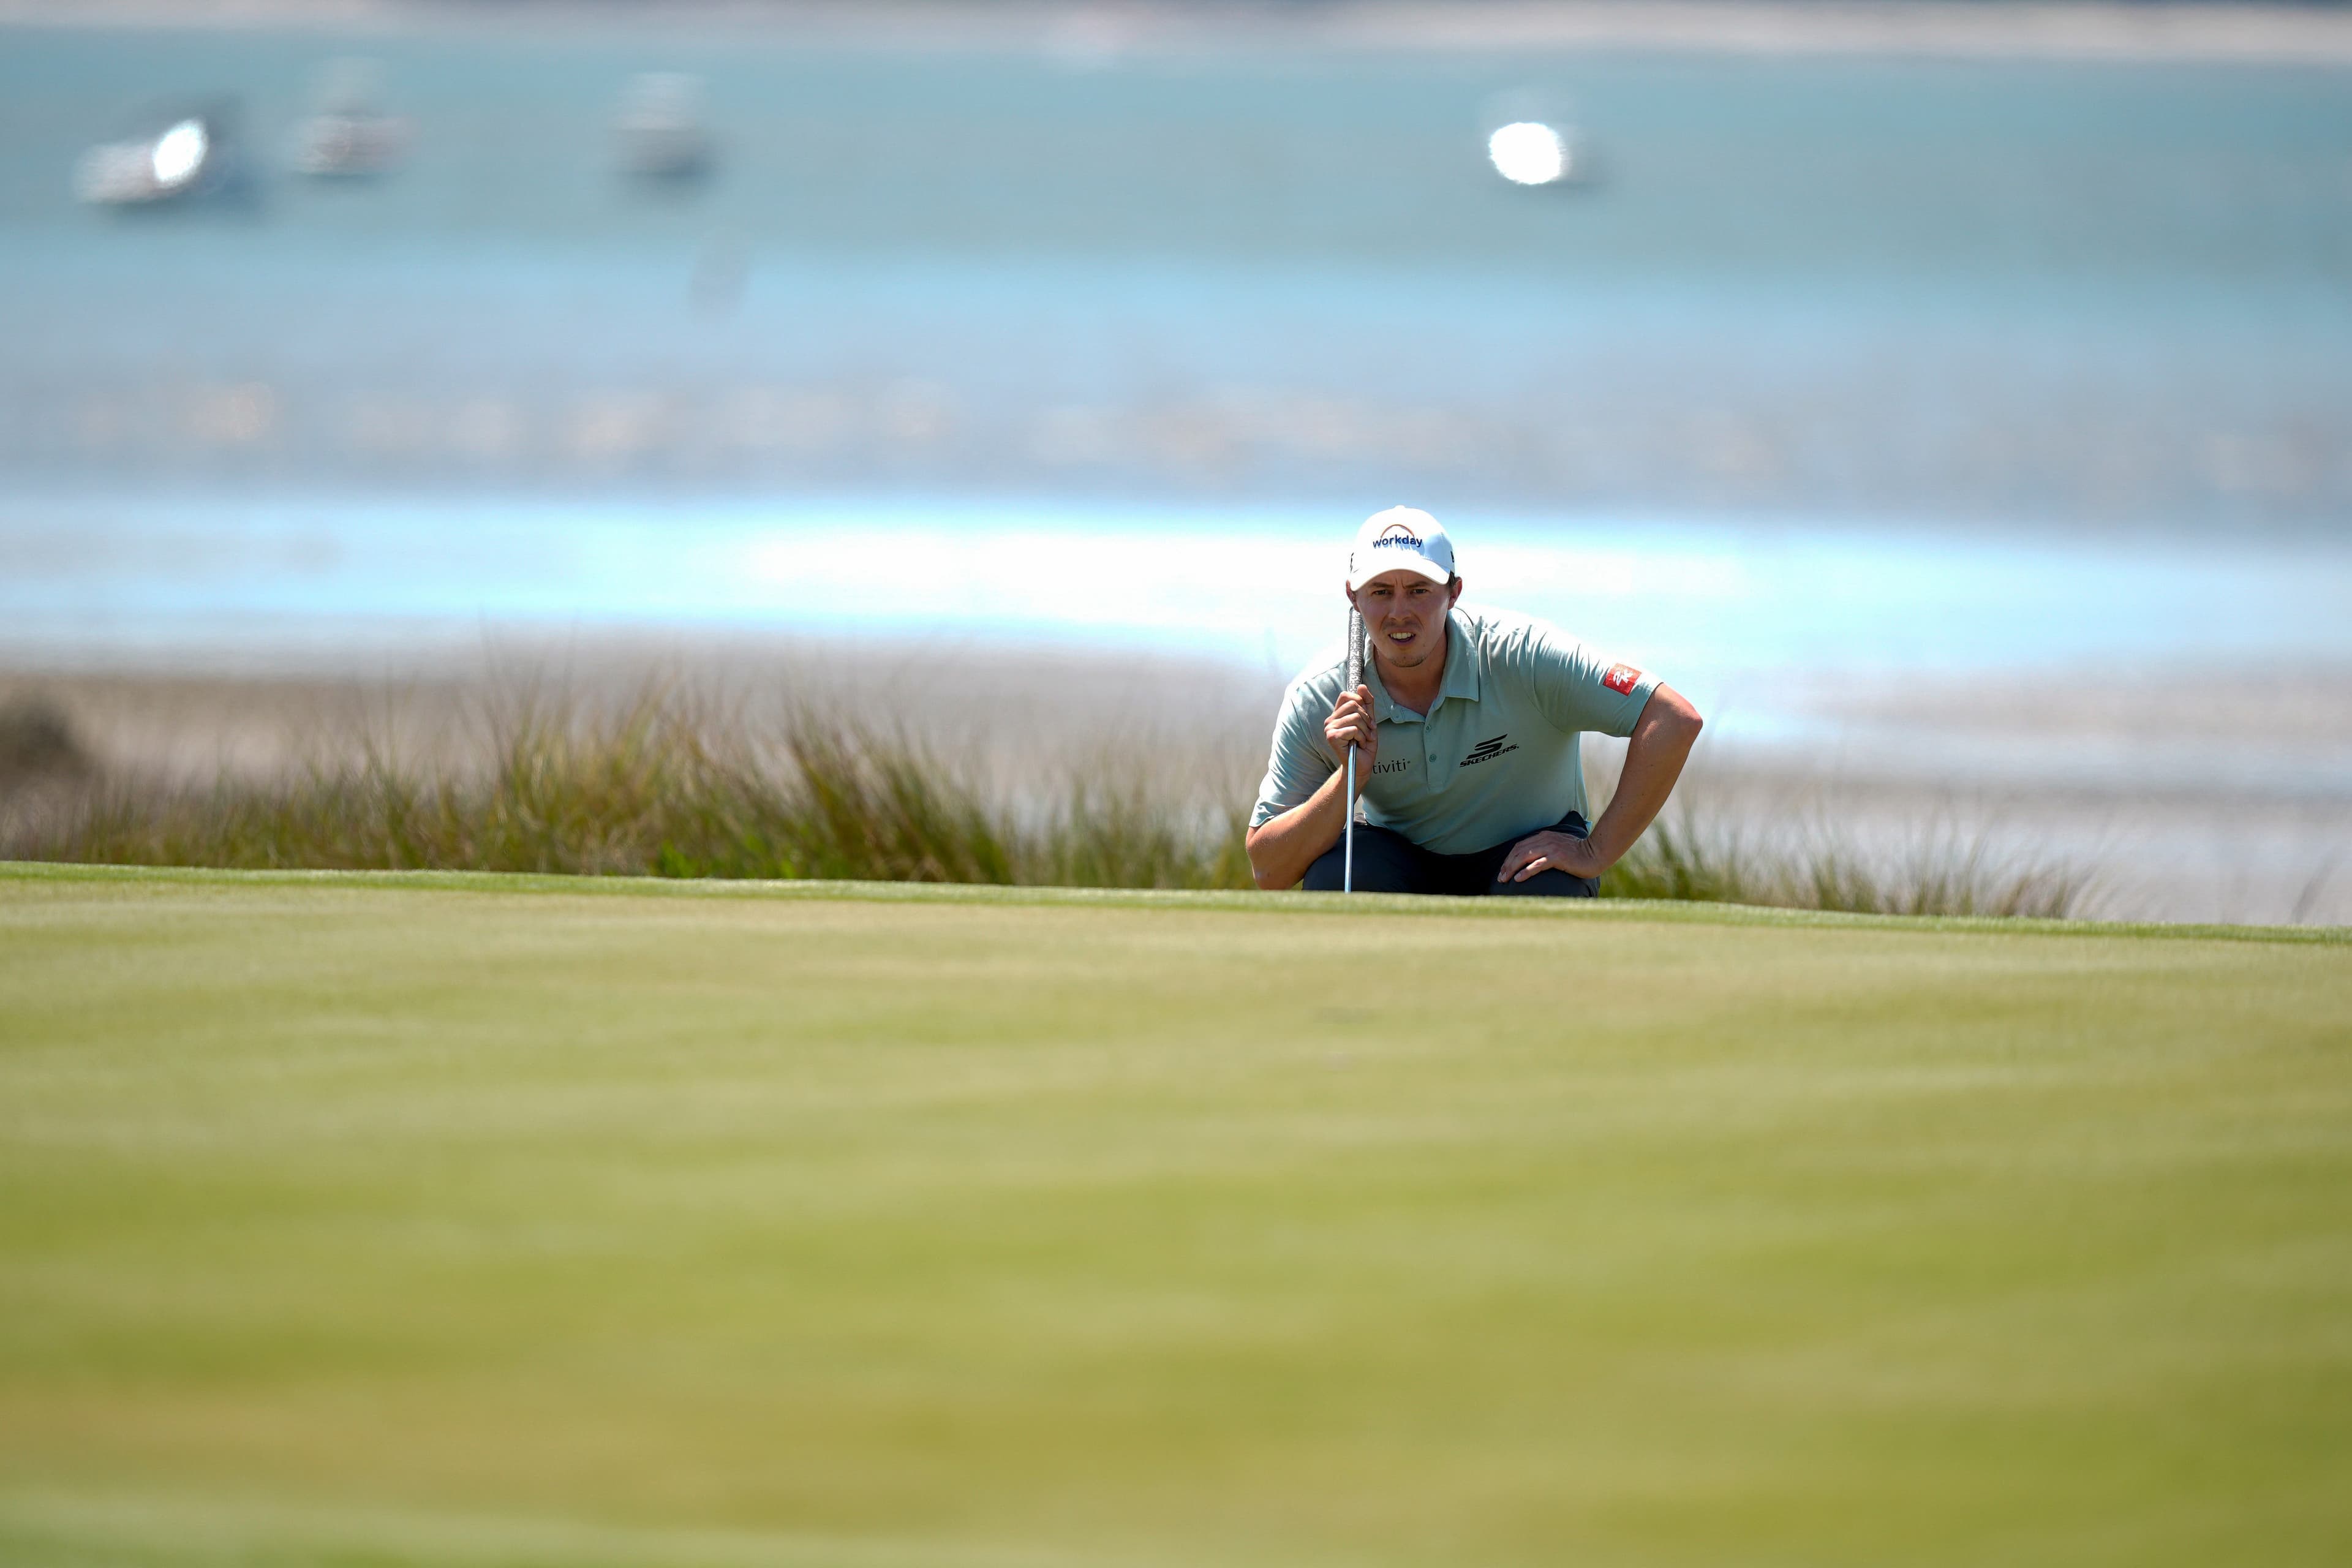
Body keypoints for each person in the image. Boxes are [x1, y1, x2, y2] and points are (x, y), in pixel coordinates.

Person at [1247, 507, 1703, 896]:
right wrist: (1350, 778)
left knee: (1548, 885)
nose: (1399, 612)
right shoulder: (1321, 696)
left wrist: (1594, 850)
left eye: (1420, 591)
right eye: (1381, 592)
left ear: (1454, 591)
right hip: (1399, 859)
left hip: (1524, 854)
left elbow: (1672, 718)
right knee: (1338, 876)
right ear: (1354, 597)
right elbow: (1269, 870)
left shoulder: (1525, 655)